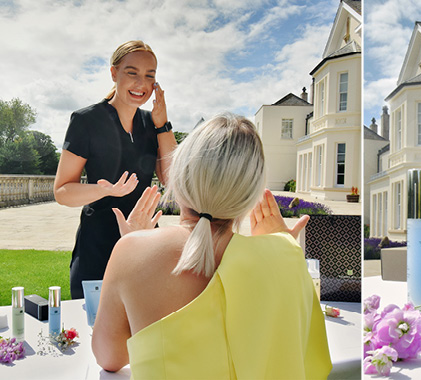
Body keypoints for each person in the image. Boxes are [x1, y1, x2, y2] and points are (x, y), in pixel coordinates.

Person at [91, 114, 332, 379]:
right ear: (249, 192)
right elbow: (296, 348)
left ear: (180, 174)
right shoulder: (284, 255)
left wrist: (134, 246)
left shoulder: (132, 250)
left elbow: (109, 356)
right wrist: (279, 249)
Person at [53, 40, 177, 299]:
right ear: (114, 73)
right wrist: (103, 190)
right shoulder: (86, 120)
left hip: (144, 242)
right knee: (94, 332)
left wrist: (163, 125)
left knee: (143, 331)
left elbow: (172, 177)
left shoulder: (151, 123)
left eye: (149, 76)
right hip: (97, 245)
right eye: (132, 73)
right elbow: (62, 192)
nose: (141, 84)